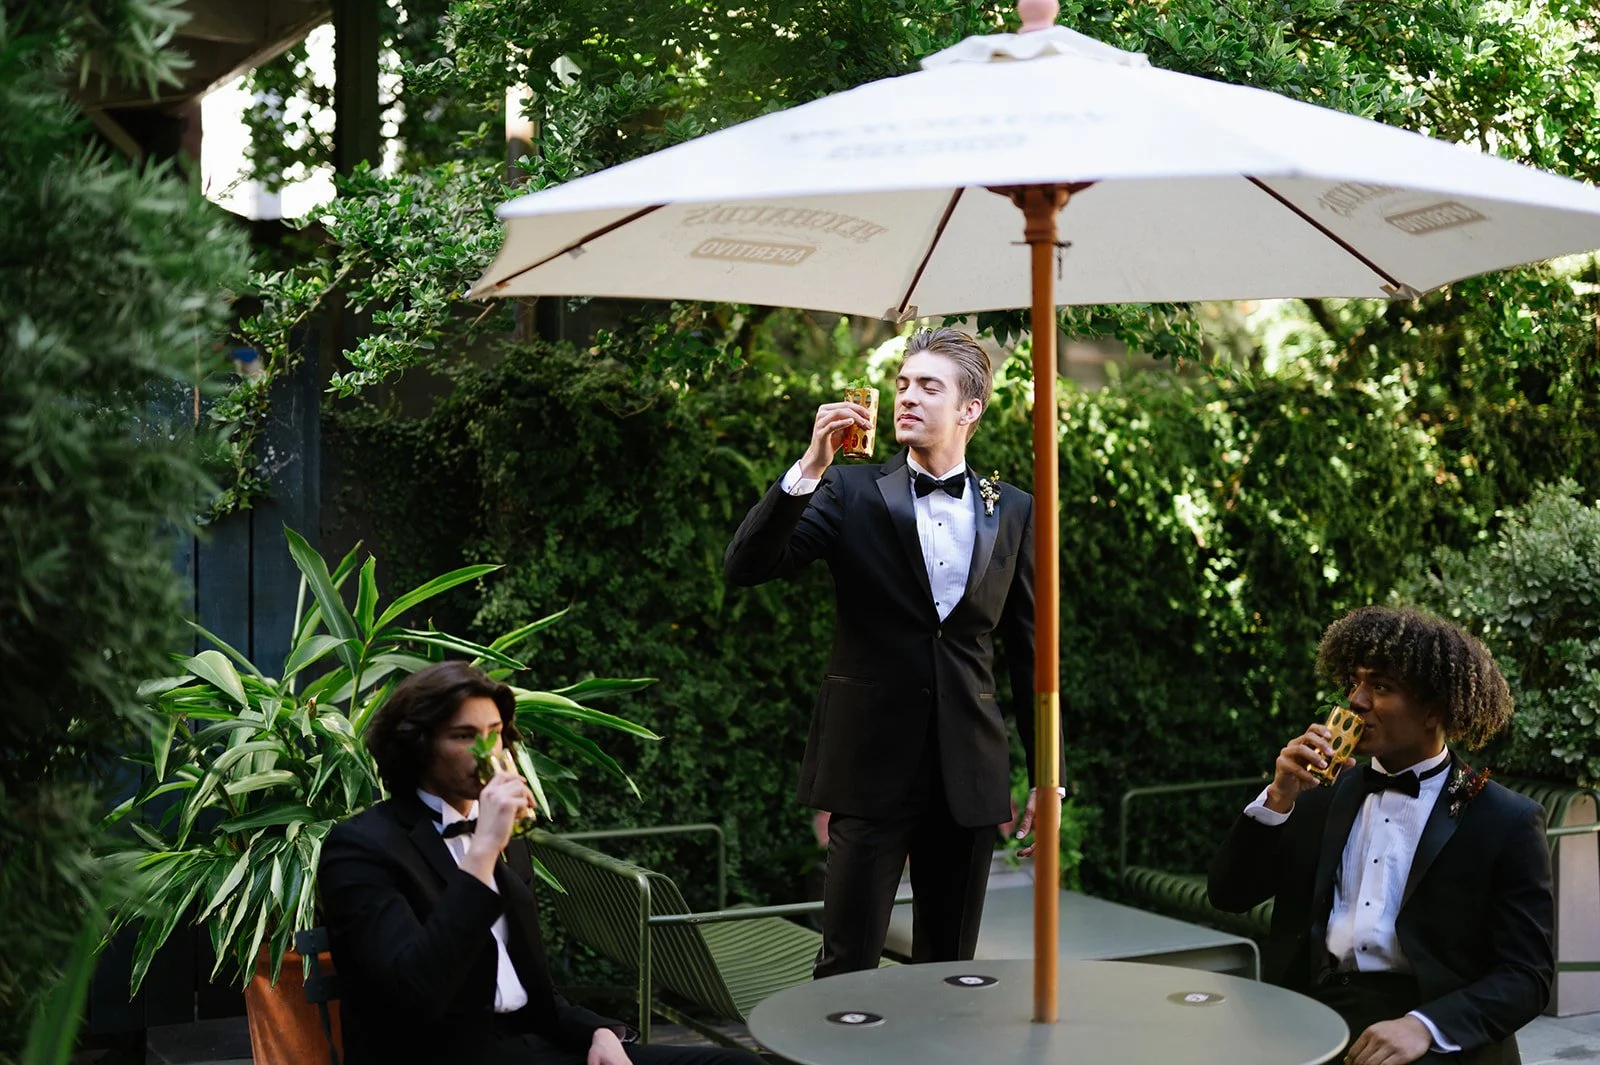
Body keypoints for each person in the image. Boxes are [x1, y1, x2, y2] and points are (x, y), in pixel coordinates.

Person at [724, 327, 1042, 978]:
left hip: (969, 774)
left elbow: (1031, 652)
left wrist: (1048, 774)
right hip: (868, 769)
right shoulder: (848, 491)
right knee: (845, 966)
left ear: (970, 408)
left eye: (928, 386)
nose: (908, 397)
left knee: (950, 970)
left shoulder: (1013, 508)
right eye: (902, 384)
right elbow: (746, 566)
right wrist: (810, 468)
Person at [319, 661, 762, 1065]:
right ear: (417, 747)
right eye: (464, 736)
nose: (487, 752)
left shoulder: (504, 837)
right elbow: (415, 994)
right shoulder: (361, 847)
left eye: (494, 732)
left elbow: (527, 986)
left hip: (532, 1046)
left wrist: (599, 1032)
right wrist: (482, 853)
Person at [1209, 606, 1554, 1065]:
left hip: (1435, 1031)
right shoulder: (1317, 793)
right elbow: (1229, 895)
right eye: (1354, 682)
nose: (1356, 700)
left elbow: (1527, 975)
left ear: (1434, 710)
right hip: (1315, 1017)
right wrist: (1277, 798)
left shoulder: (1504, 819)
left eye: (1381, 686)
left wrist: (1425, 1027)